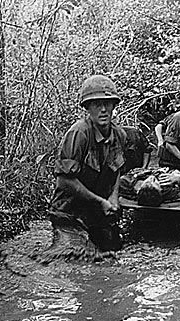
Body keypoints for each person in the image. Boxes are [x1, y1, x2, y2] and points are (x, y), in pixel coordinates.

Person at [48, 75, 127, 259]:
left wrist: (113, 198)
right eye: (96, 104)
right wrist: (100, 201)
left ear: (114, 106)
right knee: (75, 256)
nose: (103, 110)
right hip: (69, 214)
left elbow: (117, 170)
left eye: (107, 104)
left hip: (97, 213)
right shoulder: (79, 133)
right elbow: (64, 181)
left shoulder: (119, 135)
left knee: (112, 250)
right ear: (87, 108)